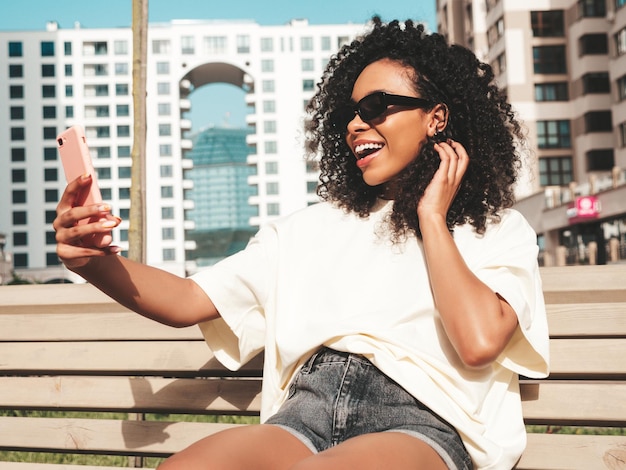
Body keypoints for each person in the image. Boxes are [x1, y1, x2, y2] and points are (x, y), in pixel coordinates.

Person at [54, 17, 549, 470]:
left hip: (420, 422)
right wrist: (92, 260)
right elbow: (187, 301)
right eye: (350, 113)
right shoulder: (306, 230)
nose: (357, 124)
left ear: (436, 118)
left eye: (377, 106)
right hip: (305, 415)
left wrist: (432, 218)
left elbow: (480, 342)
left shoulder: (496, 230)